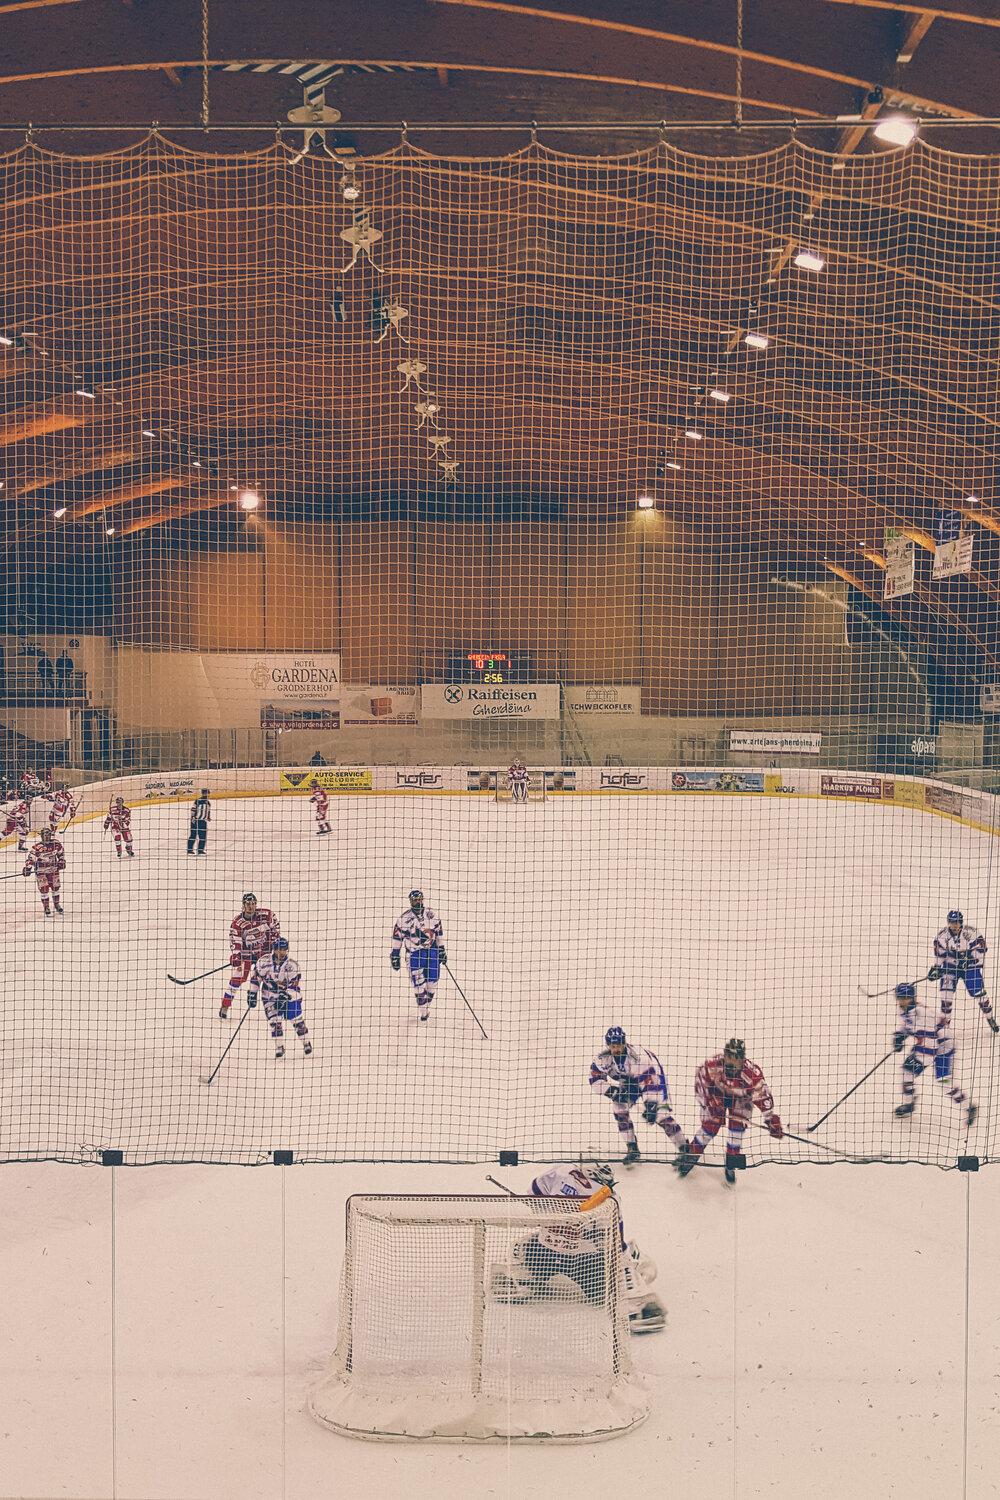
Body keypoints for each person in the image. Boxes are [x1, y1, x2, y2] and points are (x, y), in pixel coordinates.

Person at [675, 1039, 783, 1184]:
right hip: (717, 1095)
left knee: (736, 1129)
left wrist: (770, 1120)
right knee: (709, 1127)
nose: (732, 1060)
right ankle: (691, 1155)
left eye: (736, 1057)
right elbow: (699, 1084)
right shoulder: (712, 1066)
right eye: (729, 1055)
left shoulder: (751, 1074)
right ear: (725, 1055)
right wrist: (709, 1102)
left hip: (741, 1100)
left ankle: (731, 1164)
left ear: (742, 1058)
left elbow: (764, 1096)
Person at [589, 1027, 688, 1165]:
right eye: (612, 1046)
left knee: (661, 1115)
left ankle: (684, 1148)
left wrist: (650, 1104)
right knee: (619, 1110)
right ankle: (632, 1149)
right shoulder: (602, 1059)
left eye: (618, 1045)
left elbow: (650, 1081)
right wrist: (612, 1091)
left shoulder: (639, 1058)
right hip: (630, 1082)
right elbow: (594, 1079)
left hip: (653, 1078)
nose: (616, 1049)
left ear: (625, 1043)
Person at [892, 981, 977, 1125]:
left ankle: (968, 1107)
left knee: (943, 1083)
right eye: (899, 997)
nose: (901, 1000)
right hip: (927, 1043)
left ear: (912, 997)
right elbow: (908, 1026)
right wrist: (901, 1035)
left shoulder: (923, 1014)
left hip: (943, 1047)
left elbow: (930, 1045)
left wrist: (919, 1059)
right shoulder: (904, 1010)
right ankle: (909, 1104)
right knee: (906, 1072)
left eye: (905, 997)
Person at [930, 910, 997, 1033]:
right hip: (951, 968)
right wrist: (936, 968)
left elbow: (982, 949)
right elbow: (940, 955)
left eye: (958, 922)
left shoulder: (971, 932)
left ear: (961, 922)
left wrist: (970, 959)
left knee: (979, 994)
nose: (955, 925)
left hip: (970, 968)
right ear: (948, 922)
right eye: (953, 922)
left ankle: (990, 1017)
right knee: (946, 996)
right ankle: (945, 1028)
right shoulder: (942, 936)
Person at [248, 935, 312, 1059]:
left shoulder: (292, 966)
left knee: (297, 1021)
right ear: (274, 949)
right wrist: (252, 993)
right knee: (275, 1022)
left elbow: (294, 985)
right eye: (278, 949)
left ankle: (306, 1042)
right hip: (269, 996)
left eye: (283, 949)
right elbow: (256, 978)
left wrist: (284, 996)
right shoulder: (263, 962)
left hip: (290, 997)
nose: (281, 952)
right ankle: (279, 1046)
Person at [221, 892, 280, 1019]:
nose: (251, 907)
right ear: (243, 905)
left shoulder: (267, 915)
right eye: (248, 904)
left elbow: (275, 929)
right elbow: (235, 942)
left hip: (263, 952)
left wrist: (273, 943)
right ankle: (225, 1006)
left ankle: (275, 1006)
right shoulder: (238, 923)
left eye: (253, 904)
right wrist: (236, 956)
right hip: (246, 954)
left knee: (270, 977)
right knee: (237, 978)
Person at [390, 889, 445, 1022]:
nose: (417, 902)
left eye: (419, 900)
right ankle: (423, 1013)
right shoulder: (403, 919)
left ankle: (426, 1006)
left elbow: (439, 933)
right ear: (410, 902)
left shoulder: (431, 915)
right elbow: (397, 938)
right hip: (414, 954)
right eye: (414, 900)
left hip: (431, 952)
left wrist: (441, 949)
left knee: (432, 984)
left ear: (422, 900)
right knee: (419, 985)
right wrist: (395, 954)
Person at [22, 826, 65, 915]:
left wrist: (61, 860)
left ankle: (57, 904)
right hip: (41, 871)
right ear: (41, 836)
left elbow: (61, 853)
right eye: (45, 835)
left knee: (55, 888)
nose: (47, 837)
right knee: (44, 889)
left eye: (48, 835)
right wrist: (28, 868)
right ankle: (46, 906)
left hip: (53, 869)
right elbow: (31, 859)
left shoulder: (56, 844)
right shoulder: (37, 847)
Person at [187, 788, 211, 855]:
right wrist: (193, 818)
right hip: (196, 820)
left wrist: (208, 817)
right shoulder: (198, 801)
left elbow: (208, 811)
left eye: (208, 793)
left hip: (203, 821)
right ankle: (189, 850)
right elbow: (193, 809)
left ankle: (200, 850)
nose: (207, 795)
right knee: (193, 835)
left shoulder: (208, 803)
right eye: (205, 793)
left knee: (203, 836)